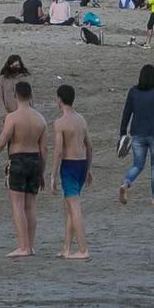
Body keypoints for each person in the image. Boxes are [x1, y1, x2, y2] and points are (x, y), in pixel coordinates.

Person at [0, 78, 50, 257]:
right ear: (31, 96)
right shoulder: (40, 119)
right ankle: (30, 246)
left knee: (17, 205)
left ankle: (23, 246)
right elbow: (44, 148)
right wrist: (42, 172)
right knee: (31, 206)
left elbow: (1, 142)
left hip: (17, 161)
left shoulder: (12, 117)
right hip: (35, 161)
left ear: (15, 96)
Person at [117, 63, 154, 204]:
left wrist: (122, 131)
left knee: (138, 164)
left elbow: (126, 113)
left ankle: (126, 184)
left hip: (137, 133)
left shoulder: (133, 92)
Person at [50, 84, 92, 259]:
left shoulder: (60, 123)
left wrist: (52, 175)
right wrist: (88, 169)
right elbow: (89, 146)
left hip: (69, 165)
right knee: (69, 207)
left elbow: (59, 151)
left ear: (59, 100)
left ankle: (83, 249)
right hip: (82, 164)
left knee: (74, 208)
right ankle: (66, 247)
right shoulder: (81, 119)